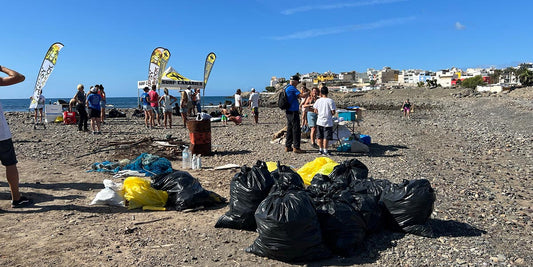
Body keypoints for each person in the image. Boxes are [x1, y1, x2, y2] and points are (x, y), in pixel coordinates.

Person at [0, 65, 32, 208]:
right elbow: (19, 77)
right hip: (1, 134)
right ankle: (16, 198)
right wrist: (1, 67)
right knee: (10, 164)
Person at [285, 75, 309, 153]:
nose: (297, 84)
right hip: (293, 111)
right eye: (297, 82)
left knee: (290, 128)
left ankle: (288, 146)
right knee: (296, 129)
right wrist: (309, 92)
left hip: (288, 111)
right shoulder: (292, 88)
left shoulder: (286, 87)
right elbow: (302, 95)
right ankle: (296, 147)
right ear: (294, 81)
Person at [313, 86, 336, 156]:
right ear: (327, 92)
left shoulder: (318, 100)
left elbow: (315, 110)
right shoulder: (330, 101)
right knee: (326, 136)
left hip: (319, 120)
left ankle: (320, 149)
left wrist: (319, 113)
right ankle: (325, 150)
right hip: (328, 121)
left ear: (321, 93)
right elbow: (333, 112)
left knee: (319, 136)